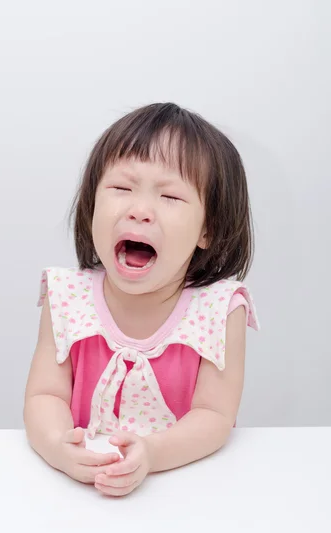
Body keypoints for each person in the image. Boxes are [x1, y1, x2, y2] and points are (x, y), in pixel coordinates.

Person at [24, 102, 259, 497]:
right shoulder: (67, 296)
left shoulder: (220, 310)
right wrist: (58, 447)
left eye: (170, 197)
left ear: (208, 229)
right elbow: (45, 394)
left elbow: (215, 415)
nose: (140, 210)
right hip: (78, 495)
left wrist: (152, 452)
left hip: (187, 491)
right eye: (120, 188)